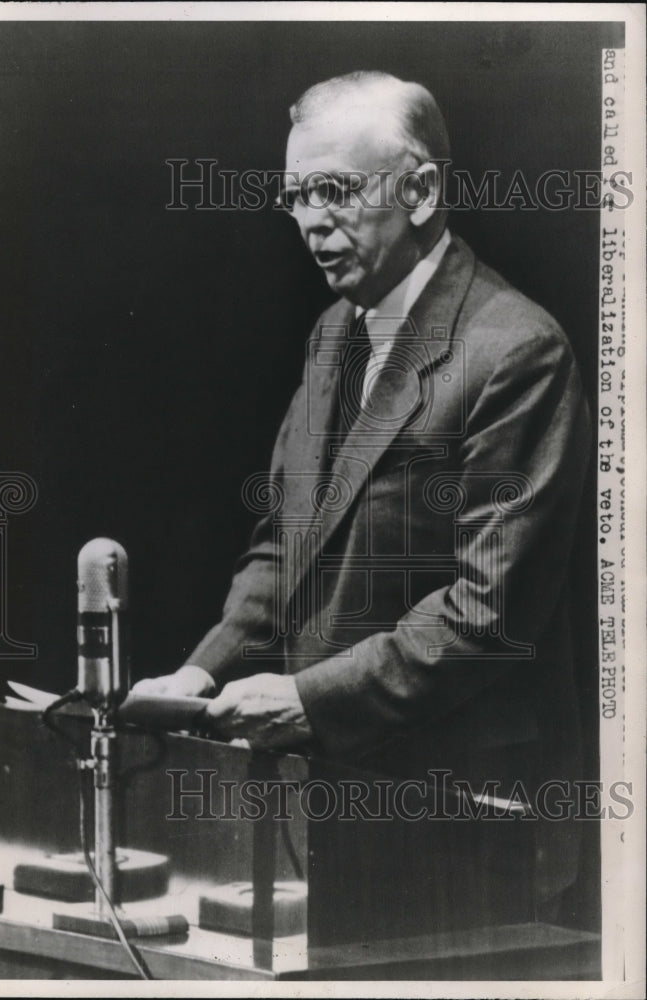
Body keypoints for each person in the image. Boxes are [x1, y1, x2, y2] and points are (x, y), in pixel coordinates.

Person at [122, 71, 591, 915]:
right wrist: (202, 672)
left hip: (459, 810)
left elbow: (490, 613)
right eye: (296, 195)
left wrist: (305, 698)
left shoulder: (517, 351)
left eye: (334, 191)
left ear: (420, 190)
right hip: (336, 787)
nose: (309, 222)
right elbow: (284, 540)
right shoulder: (334, 332)